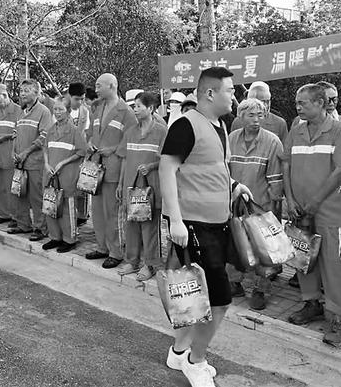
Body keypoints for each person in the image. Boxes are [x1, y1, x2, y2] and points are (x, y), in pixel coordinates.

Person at [160, 67, 252, 387]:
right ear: (210, 93)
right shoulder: (185, 124)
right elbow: (167, 170)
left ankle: (178, 352)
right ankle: (195, 361)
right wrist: (175, 220)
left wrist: (234, 185)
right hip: (193, 224)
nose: (235, 96)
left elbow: (214, 166)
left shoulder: (220, 125)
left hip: (217, 223)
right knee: (219, 299)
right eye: (230, 90)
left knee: (195, 293)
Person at [282, 83, 341, 348]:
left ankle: (338, 317)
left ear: (320, 102)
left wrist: (315, 202)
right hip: (299, 210)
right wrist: (290, 199)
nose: (298, 107)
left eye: (302, 103)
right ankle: (311, 303)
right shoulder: (296, 130)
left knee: (332, 262)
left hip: (330, 211)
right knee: (303, 257)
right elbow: (286, 164)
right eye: (297, 103)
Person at [226, 98, 284, 310]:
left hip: (261, 205)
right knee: (234, 243)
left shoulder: (272, 141)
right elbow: (224, 170)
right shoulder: (231, 138)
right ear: (240, 117)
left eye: (260, 115)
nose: (256, 120)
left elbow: (276, 179)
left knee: (264, 248)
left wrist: (274, 210)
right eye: (251, 115)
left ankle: (261, 288)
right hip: (235, 203)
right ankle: (234, 282)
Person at [85, 73, 137, 269]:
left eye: (99, 86)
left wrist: (113, 149)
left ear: (112, 86)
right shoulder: (98, 108)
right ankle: (102, 247)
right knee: (97, 212)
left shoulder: (126, 112)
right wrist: (90, 142)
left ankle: (116, 252)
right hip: (95, 169)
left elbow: (130, 141)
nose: (96, 89)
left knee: (113, 213)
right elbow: (91, 133)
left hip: (113, 169)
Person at [115, 92, 167, 281]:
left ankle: (150, 264)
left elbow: (167, 160)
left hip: (150, 188)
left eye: (138, 106)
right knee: (131, 224)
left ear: (150, 108)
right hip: (130, 187)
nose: (135, 109)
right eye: (134, 106)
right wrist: (121, 183)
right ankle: (132, 260)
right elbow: (124, 159)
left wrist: (151, 166)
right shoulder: (130, 132)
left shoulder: (162, 131)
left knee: (149, 227)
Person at [42, 96, 87, 253]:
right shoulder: (51, 130)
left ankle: (69, 239)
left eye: (61, 109)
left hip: (67, 176)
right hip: (50, 174)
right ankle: (55, 237)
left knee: (67, 209)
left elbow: (82, 151)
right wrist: (46, 164)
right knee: (50, 205)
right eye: (55, 109)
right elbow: (45, 149)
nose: (57, 112)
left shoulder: (74, 131)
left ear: (68, 111)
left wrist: (63, 162)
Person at [10, 79, 52, 240]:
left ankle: (40, 228)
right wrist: (13, 152)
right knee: (20, 193)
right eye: (21, 90)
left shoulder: (44, 111)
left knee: (36, 196)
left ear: (37, 93)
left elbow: (44, 136)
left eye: (26, 90)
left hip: (35, 162)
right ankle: (23, 224)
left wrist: (26, 153)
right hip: (20, 162)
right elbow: (15, 134)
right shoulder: (21, 112)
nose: (22, 94)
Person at [0, 83, 21, 226]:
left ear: (5, 95)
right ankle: (4, 214)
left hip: (11, 154)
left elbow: (21, 133)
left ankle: (15, 216)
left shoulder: (18, 111)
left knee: (11, 187)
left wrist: (5, 137)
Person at [68, 82, 91, 226]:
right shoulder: (60, 109)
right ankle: (68, 213)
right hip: (65, 153)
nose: (80, 102)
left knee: (82, 185)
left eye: (82, 99)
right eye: (77, 99)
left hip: (80, 153)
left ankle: (82, 214)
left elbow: (87, 132)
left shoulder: (85, 111)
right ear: (69, 96)